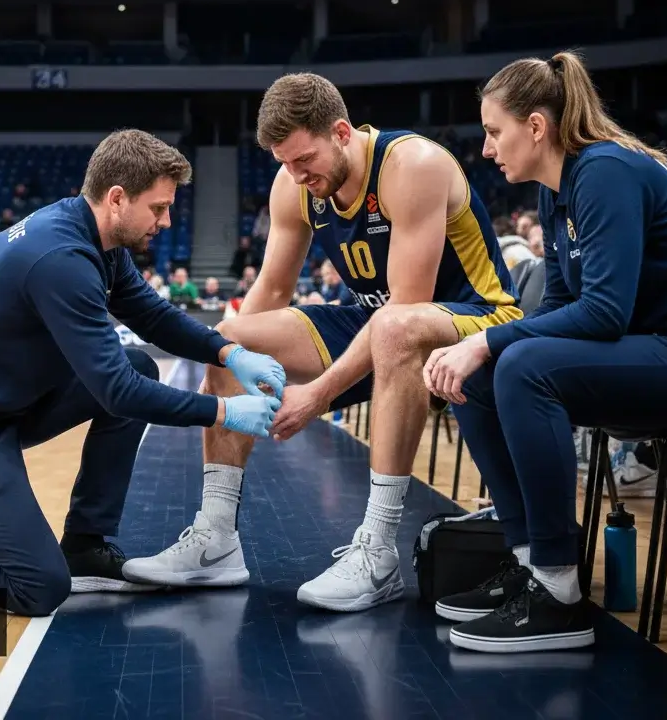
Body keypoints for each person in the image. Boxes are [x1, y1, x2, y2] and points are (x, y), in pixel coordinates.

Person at [0, 129, 286, 616]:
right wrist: (223, 411)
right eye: (158, 208)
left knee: (139, 364)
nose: (165, 221)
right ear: (117, 198)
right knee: (38, 586)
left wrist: (228, 352)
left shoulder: (94, 237)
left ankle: (86, 544)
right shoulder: (61, 259)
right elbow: (118, 393)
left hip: (1, 404)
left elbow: (152, 316)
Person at [122, 72, 522, 612]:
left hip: (477, 321)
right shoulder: (294, 183)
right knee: (231, 337)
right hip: (381, 323)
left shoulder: (411, 165)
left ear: (341, 132)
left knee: (396, 329)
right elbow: (272, 289)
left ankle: (378, 552)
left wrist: (318, 395)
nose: (296, 174)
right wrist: (231, 365)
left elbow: (406, 311)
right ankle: (216, 540)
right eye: (284, 162)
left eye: (304, 159)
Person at [422, 50, 667, 653]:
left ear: (537, 127)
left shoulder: (605, 171)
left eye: (494, 131)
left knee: (520, 365)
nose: (486, 148)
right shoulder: (554, 192)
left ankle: (558, 591)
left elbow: (604, 313)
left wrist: (487, 339)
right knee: (482, 375)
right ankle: (531, 560)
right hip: (662, 349)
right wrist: (481, 349)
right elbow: (562, 307)